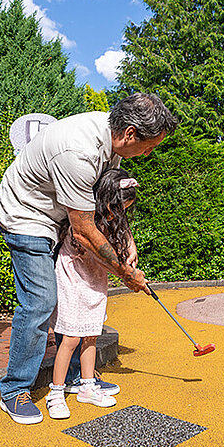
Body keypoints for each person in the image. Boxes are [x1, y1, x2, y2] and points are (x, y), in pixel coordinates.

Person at [0, 92, 177, 424]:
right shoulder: (78, 151)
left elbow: (107, 202)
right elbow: (83, 230)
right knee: (41, 301)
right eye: (150, 145)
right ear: (131, 133)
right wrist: (124, 271)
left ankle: (81, 378)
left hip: (59, 216)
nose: (149, 153)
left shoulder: (112, 146)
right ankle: (15, 390)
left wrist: (128, 241)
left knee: (67, 305)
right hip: (27, 215)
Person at [46, 168, 138, 419]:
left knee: (91, 334)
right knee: (72, 337)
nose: (118, 214)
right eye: (117, 208)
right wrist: (127, 275)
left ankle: (87, 386)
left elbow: (112, 251)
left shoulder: (112, 220)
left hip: (95, 277)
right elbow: (98, 252)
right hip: (73, 274)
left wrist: (130, 250)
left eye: (124, 210)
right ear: (105, 198)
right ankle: (56, 392)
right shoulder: (86, 216)